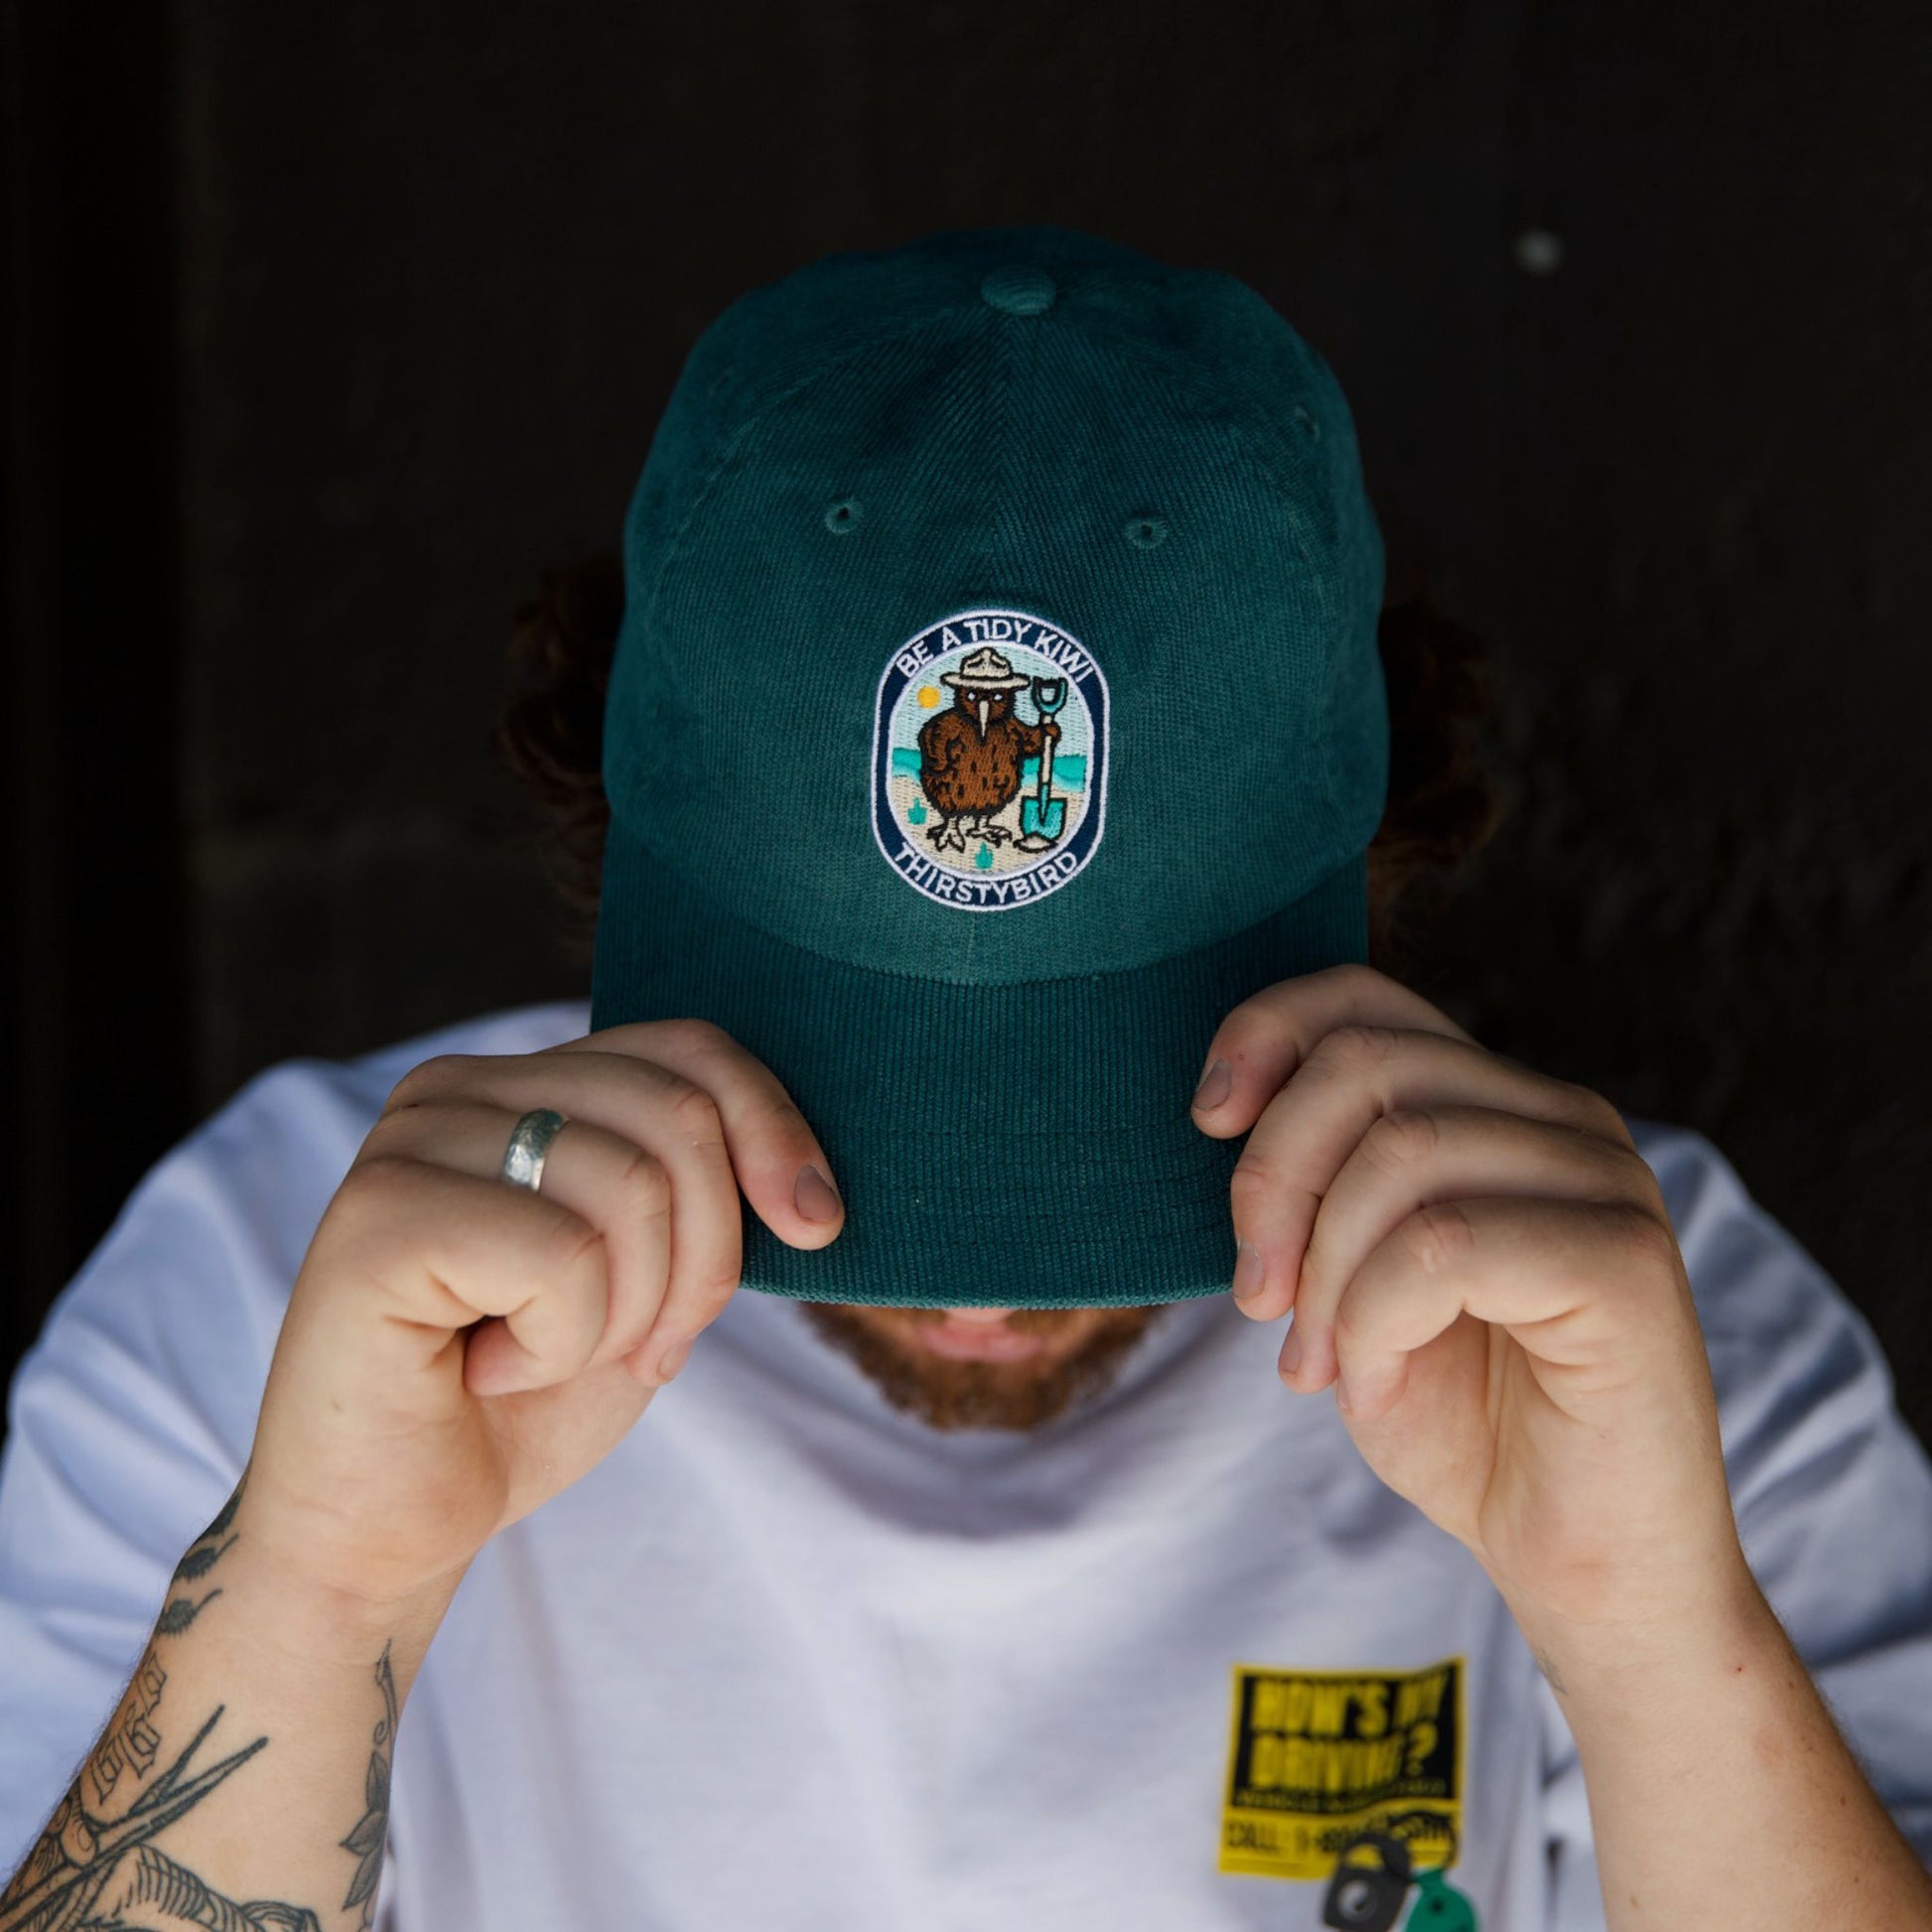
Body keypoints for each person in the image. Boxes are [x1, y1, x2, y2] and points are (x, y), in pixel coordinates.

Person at [2, 224, 1929, 1932]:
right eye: (857, 1116)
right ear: (613, 850)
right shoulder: (279, 1285)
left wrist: (1647, 1626)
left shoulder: (1623, 1333)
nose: (982, 1295)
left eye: (1109, 1135)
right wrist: (317, 1588)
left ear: (1383, 864)